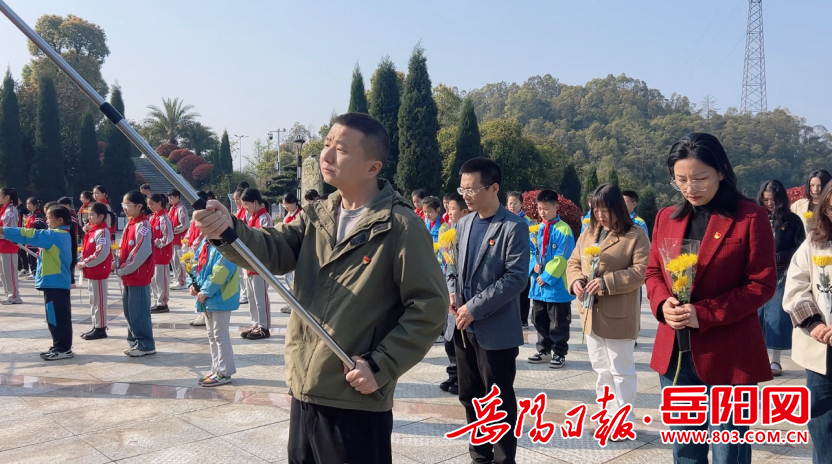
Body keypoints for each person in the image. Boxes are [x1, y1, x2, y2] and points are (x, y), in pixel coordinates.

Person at [193, 112, 447, 464]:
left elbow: (430, 307)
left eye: (340, 149)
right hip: (306, 386)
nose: (326, 156)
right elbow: (272, 250)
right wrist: (228, 230)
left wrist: (381, 365)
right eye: (326, 144)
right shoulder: (317, 215)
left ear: (373, 167)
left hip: (354, 394)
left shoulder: (400, 226)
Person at [645, 133, 776, 463]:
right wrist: (662, 304)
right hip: (676, 354)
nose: (690, 188)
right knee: (685, 447)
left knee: (729, 449)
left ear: (721, 171)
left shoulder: (749, 217)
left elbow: (761, 284)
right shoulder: (666, 218)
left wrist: (703, 313)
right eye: (681, 180)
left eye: (700, 178)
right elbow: (653, 272)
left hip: (728, 353)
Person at [447, 157, 529, 464]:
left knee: (498, 400)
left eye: (472, 189)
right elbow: (453, 267)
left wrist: (474, 307)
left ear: (493, 188)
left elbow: (516, 278)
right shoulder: (463, 224)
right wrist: (452, 292)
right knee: (470, 396)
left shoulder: (513, 226)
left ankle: (503, 459)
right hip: (463, 327)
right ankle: (479, 456)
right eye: (462, 189)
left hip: (496, 331)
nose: (465, 196)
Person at [567, 183, 649, 426]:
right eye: (596, 210)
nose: (600, 215)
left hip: (618, 315)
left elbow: (641, 271)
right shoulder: (589, 232)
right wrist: (576, 281)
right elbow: (573, 262)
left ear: (618, 208)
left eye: (605, 210)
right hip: (590, 312)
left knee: (621, 369)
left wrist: (606, 282)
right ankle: (607, 415)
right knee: (601, 368)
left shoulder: (635, 234)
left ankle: (623, 421)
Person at [783, 182, 832, 464]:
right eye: (831, 209)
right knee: (823, 422)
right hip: (821, 351)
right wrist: (814, 324)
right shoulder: (814, 243)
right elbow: (796, 288)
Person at [0, 205, 76, 359]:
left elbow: (30, 234)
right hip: (55, 283)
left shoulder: (55, 235)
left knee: (57, 318)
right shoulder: (62, 234)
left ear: (60, 220)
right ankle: (60, 346)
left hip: (55, 284)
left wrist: (4, 231)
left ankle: (62, 349)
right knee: (56, 317)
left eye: (49, 217)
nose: (46, 220)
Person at [757, 180, 805, 377]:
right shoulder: (756, 218)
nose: (769, 204)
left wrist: (781, 257)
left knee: (777, 315)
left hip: (782, 272)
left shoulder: (792, 221)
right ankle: (758, 357)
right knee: (757, 314)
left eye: (773, 200)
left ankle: (775, 360)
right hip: (757, 271)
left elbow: (800, 247)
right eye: (766, 200)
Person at [526, 189, 575, 369]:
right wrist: (533, 265)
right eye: (540, 208)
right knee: (539, 319)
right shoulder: (536, 229)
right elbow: (530, 251)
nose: (542, 212)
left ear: (556, 207)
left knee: (558, 322)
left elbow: (563, 257)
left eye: (546, 209)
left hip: (556, 287)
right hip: (538, 287)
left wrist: (546, 276)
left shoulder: (564, 230)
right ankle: (544, 350)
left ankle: (559, 353)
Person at [189, 236, 240, 386]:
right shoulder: (206, 243)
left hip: (221, 297)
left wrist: (205, 290)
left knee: (220, 334)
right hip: (207, 296)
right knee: (212, 335)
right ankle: (216, 369)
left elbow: (221, 272)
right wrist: (193, 284)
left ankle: (224, 372)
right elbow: (196, 264)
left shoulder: (226, 245)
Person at [117, 191, 156, 357]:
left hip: (138, 275)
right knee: (129, 311)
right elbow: (124, 248)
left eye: (127, 204)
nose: (124, 208)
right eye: (123, 204)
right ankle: (134, 342)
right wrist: (118, 262)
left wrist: (123, 268)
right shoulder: (130, 224)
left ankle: (145, 344)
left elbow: (141, 252)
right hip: (128, 275)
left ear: (139, 206)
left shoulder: (143, 226)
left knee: (139, 311)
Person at [439, 192, 470, 395]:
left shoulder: (470, 234)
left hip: (466, 298)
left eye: (453, 209)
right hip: (452, 295)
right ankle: (453, 374)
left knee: (463, 342)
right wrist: (451, 292)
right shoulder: (449, 233)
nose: (449, 213)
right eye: (448, 208)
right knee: (450, 339)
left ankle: (464, 378)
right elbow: (449, 267)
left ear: (464, 212)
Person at [240, 188, 274, 339]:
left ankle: (264, 327)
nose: (245, 208)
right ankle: (255, 323)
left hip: (260, 262)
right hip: (249, 262)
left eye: (246, 204)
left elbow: (265, 240)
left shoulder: (265, 218)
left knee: (261, 297)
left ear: (255, 202)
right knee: (251, 297)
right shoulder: (251, 217)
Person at [77, 202, 113, 340]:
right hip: (92, 271)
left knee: (99, 302)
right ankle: (96, 325)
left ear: (101, 216)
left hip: (98, 271)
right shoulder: (93, 231)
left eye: (92, 214)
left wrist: (85, 262)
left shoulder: (102, 232)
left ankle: (101, 328)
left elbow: (101, 253)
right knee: (93, 300)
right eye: (89, 214)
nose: (89, 217)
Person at [507, 191, 533, 328]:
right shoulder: (505, 220)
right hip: (508, 261)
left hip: (523, 261)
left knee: (523, 291)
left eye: (515, 203)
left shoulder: (526, 221)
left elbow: (532, 243)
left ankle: (523, 319)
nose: (512, 206)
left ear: (521, 204)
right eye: (510, 203)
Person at [147, 194, 174, 314]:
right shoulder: (153, 217)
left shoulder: (164, 218)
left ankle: (163, 302)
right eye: (149, 204)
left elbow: (168, 236)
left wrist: (157, 243)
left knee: (161, 280)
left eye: (152, 204)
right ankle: (157, 301)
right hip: (153, 254)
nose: (150, 206)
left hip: (162, 254)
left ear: (159, 203)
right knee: (153, 280)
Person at [279, 192, 301, 314]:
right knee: (288, 279)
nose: (285, 207)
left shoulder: (300, 215)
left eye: (287, 204)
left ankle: (296, 304)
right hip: (287, 251)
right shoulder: (288, 215)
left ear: (294, 203)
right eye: (283, 205)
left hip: (296, 252)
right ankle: (290, 303)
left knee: (295, 280)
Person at [0, 188, 21, 304]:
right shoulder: (4, 209)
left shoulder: (11, 211)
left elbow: (8, 230)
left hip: (9, 246)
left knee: (10, 272)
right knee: (4, 273)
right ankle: (9, 294)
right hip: (2, 245)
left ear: (7, 197)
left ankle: (14, 296)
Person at [167, 189, 189, 290]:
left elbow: (184, 224)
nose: (170, 200)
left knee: (179, 260)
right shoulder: (172, 209)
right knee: (173, 261)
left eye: (172, 198)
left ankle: (181, 281)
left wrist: (173, 230)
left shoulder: (181, 208)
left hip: (179, 239)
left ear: (177, 197)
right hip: (173, 239)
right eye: (169, 198)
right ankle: (176, 279)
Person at [20, 198, 46, 282]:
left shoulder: (37, 215)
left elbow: (40, 226)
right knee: (30, 256)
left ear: (35, 205)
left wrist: (33, 231)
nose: (27, 206)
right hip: (29, 239)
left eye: (29, 204)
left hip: (34, 239)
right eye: (27, 204)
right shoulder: (30, 215)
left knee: (33, 257)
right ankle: (33, 272)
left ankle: (35, 272)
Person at [233, 188, 249, 305]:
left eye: (238, 199)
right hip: (237, 244)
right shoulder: (239, 211)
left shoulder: (246, 211)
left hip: (244, 244)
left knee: (245, 273)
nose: (236, 202)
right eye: (235, 200)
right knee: (240, 272)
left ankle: (246, 294)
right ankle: (243, 292)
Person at [58, 197, 79, 287]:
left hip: (71, 240)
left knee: (71, 260)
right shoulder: (67, 215)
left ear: (67, 205)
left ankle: (71, 281)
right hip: (68, 240)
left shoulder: (71, 216)